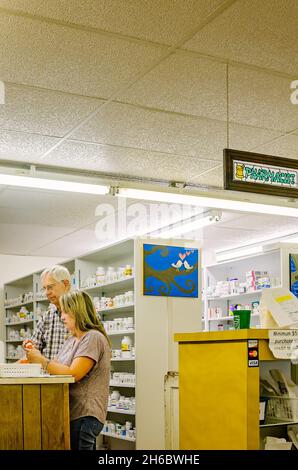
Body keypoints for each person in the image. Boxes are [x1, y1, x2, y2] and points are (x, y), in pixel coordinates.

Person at [26, 290, 111, 450]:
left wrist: (42, 360)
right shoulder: (71, 339)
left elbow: (73, 373)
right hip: (72, 412)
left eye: (65, 312)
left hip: (86, 414)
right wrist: (34, 356)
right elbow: (57, 368)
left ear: (77, 311)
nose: (62, 317)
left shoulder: (92, 337)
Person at [23, 265, 71, 359]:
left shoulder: (84, 313)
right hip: (47, 372)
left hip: (73, 373)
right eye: (44, 288)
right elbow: (34, 347)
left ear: (65, 284)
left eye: (50, 287)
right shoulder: (47, 316)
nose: (47, 293)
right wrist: (30, 346)